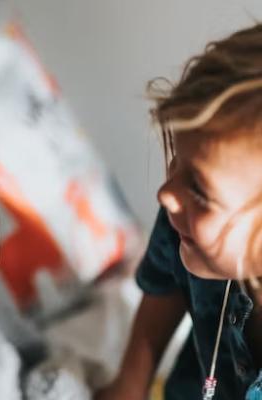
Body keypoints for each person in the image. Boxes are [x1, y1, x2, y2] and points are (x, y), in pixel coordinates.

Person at [95, 23, 262, 400]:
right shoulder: (185, 227)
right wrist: (129, 385)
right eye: (176, 161)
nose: (167, 193)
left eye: (200, 189)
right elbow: (164, 289)